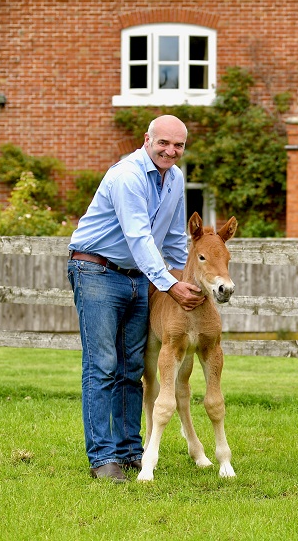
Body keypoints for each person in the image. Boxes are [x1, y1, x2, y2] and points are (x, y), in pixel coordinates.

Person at [67, 115, 204, 483]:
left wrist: (180, 280)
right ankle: (103, 458)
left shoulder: (174, 179)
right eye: (164, 143)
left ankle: (130, 452)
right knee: (103, 364)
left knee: (132, 367)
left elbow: (174, 239)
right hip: (97, 270)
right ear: (148, 139)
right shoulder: (127, 176)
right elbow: (139, 238)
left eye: (178, 146)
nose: (170, 151)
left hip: (138, 278)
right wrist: (169, 286)